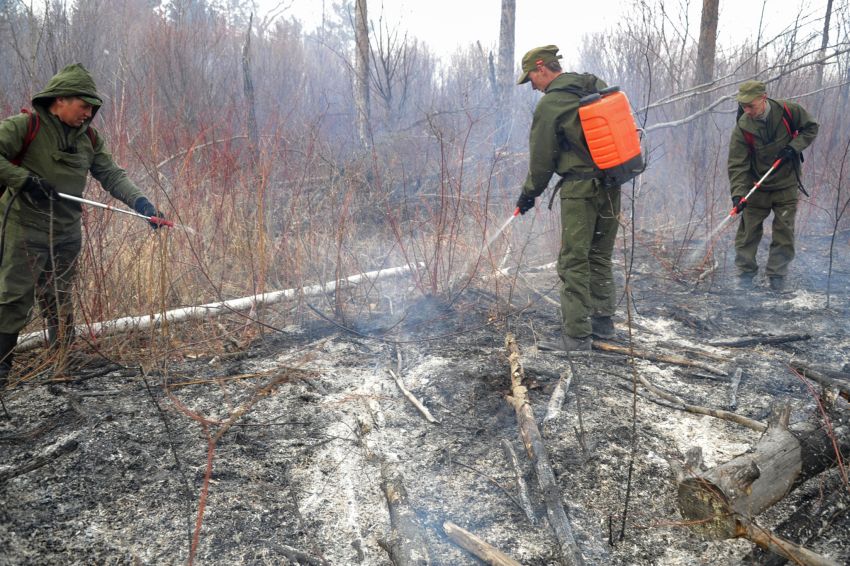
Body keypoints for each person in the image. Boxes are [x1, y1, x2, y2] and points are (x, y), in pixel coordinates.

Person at [0, 63, 164, 387]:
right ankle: (2, 371)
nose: (88, 113)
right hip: (24, 227)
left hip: (66, 232)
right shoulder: (24, 126)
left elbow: (112, 174)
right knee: (14, 298)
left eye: (92, 107)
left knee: (59, 297)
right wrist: (24, 180)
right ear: (59, 100)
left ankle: (64, 363)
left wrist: (143, 205)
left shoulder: (89, 138)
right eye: (83, 105)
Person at [515, 45, 621, 352]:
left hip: (580, 191)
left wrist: (529, 193)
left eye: (531, 78)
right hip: (612, 184)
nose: (532, 85)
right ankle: (603, 324)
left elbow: (542, 158)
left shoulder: (552, 104)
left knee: (574, 260)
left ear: (542, 69)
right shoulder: (592, 85)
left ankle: (575, 335)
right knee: (599, 255)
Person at [728, 80, 818, 292]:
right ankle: (745, 278)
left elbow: (811, 127)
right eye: (743, 105)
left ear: (763, 98)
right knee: (747, 233)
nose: (746, 110)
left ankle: (777, 278)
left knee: (784, 232)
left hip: (786, 184)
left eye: (750, 105)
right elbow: (737, 164)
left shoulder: (788, 111)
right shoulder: (742, 127)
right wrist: (738, 195)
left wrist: (793, 148)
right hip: (756, 187)